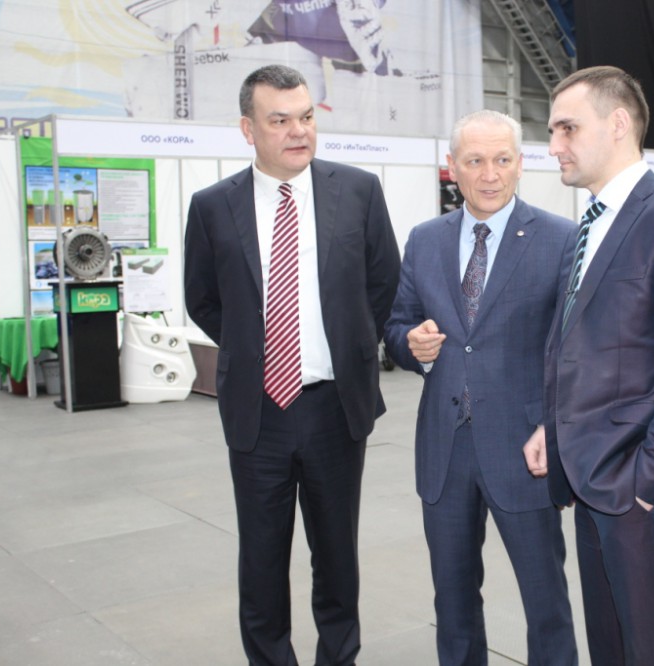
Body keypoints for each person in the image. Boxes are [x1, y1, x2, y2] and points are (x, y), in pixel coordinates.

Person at [183, 64, 400, 666]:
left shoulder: (358, 191)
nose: (298, 131)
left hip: (335, 408)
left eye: (306, 117)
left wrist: (349, 347)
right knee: (260, 560)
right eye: (279, 120)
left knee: (337, 557)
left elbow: (383, 282)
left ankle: (339, 658)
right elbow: (202, 298)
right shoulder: (212, 206)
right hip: (258, 413)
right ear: (248, 129)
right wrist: (257, 350)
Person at [525, 65, 654, 665]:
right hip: (591, 476)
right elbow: (583, 347)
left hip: (637, 485)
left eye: (567, 128)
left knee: (651, 652)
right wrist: (552, 428)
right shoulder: (589, 226)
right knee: (611, 650)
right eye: (552, 130)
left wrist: (647, 483)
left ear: (617, 124)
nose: (554, 145)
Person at [384, 110, 579, 666]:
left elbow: (573, 347)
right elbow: (397, 326)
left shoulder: (560, 239)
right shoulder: (425, 240)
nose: (489, 174)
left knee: (545, 602)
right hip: (445, 449)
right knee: (453, 603)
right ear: (452, 166)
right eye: (475, 161)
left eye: (501, 159)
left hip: (525, 447)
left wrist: (551, 424)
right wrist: (410, 344)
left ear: (520, 164)